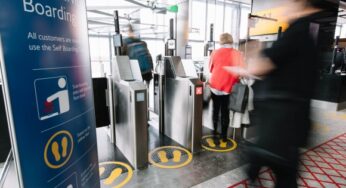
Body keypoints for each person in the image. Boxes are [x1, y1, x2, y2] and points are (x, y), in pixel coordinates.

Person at [225, 0, 324, 187]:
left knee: (269, 159)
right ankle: (254, 171)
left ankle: (253, 172)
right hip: (295, 119)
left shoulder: (296, 32)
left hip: (281, 119)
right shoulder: (309, 34)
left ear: (299, 3)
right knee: (285, 170)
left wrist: (245, 67)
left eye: (286, 3)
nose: (283, 8)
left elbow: (262, 66)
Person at [209, 33, 243, 141]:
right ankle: (223, 136)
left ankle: (214, 133)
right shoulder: (237, 54)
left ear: (221, 41)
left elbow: (210, 69)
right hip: (228, 88)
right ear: (231, 41)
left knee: (215, 110)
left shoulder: (214, 53)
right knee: (225, 112)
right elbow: (241, 72)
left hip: (215, 86)